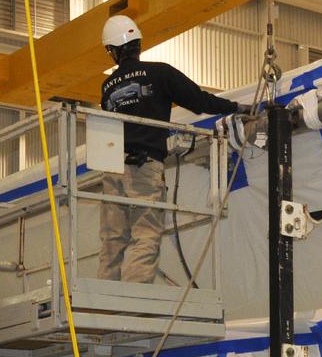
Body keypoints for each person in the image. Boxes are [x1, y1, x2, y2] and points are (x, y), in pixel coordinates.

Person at [98, 15, 242, 283]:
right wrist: (237, 107)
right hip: (143, 166)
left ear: (113, 51)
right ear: (138, 44)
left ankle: (104, 297)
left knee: (112, 240)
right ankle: (135, 299)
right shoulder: (159, 73)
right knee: (145, 233)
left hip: (111, 169)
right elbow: (199, 101)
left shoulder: (107, 86)